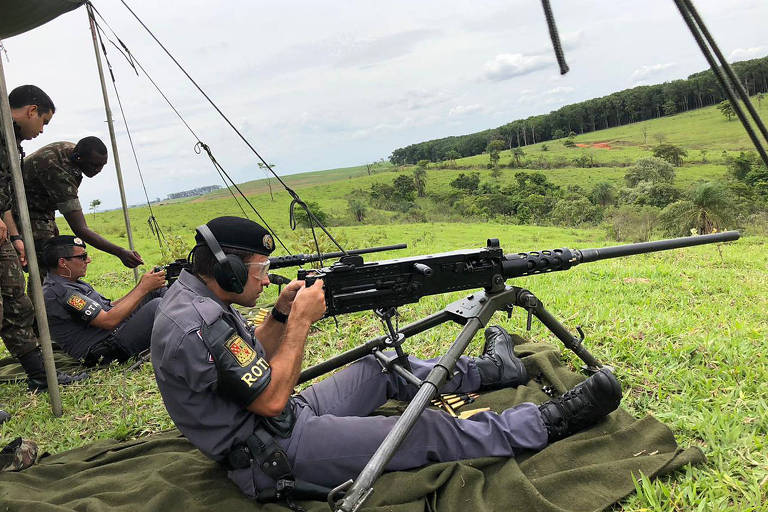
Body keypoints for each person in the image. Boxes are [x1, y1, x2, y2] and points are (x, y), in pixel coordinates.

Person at [151, 216, 623, 500]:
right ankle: (544, 424)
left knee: (379, 366)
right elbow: (271, 398)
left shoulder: (201, 301)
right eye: (261, 271)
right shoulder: (197, 326)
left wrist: (278, 313)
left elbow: (252, 361)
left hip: (281, 420)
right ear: (230, 271)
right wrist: (300, 324)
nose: (267, 277)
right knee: (421, 427)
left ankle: (492, 371)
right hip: (271, 451)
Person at [0, 85, 87, 392]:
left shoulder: (12, 141)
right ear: (32, 110)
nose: (42, 130)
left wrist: (14, 235)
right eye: (44, 122)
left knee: (16, 303)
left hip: (3, 233)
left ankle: (40, 375)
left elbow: (4, 195)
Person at [16, 136, 143, 280]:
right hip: (21, 210)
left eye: (102, 165)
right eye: (94, 165)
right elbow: (80, 229)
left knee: (52, 258)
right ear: (78, 158)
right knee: (49, 268)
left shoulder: (73, 151)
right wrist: (120, 252)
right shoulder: (58, 170)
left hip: (41, 209)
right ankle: (42, 301)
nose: (98, 170)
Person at [42, 236, 165, 366]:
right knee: (156, 305)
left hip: (113, 335)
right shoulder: (61, 292)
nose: (88, 260)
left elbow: (109, 308)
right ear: (62, 262)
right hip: (105, 351)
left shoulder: (71, 283)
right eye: (83, 257)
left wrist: (142, 287)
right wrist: (142, 289)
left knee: (156, 292)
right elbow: (108, 321)